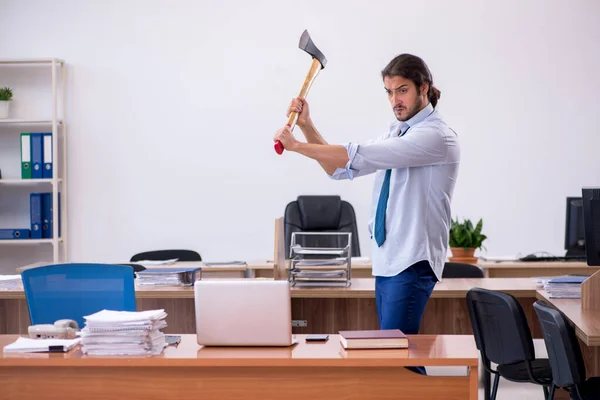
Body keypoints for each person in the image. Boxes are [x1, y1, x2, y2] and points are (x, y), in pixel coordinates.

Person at [273, 53, 460, 374]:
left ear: (423, 88)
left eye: (402, 90)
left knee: (398, 363)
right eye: (389, 92)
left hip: (413, 260)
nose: (395, 100)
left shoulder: (434, 136)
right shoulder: (396, 133)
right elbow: (339, 166)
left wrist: (296, 146)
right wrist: (306, 126)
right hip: (388, 260)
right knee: (394, 360)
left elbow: (354, 154)